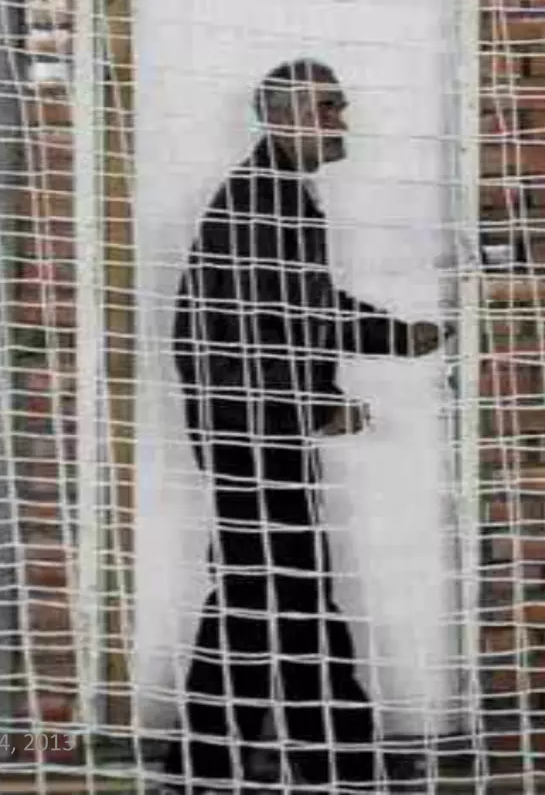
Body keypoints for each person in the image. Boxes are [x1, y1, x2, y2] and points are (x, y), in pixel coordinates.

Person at [164, 58, 446, 792]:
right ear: (283, 115)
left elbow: (299, 312)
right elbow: (258, 332)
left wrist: (391, 335)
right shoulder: (263, 200)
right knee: (279, 594)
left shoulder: (279, 194)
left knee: (263, 597)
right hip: (251, 430)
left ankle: (224, 765)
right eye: (328, 108)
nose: (341, 121)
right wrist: (312, 403)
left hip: (250, 425)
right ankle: (328, 763)